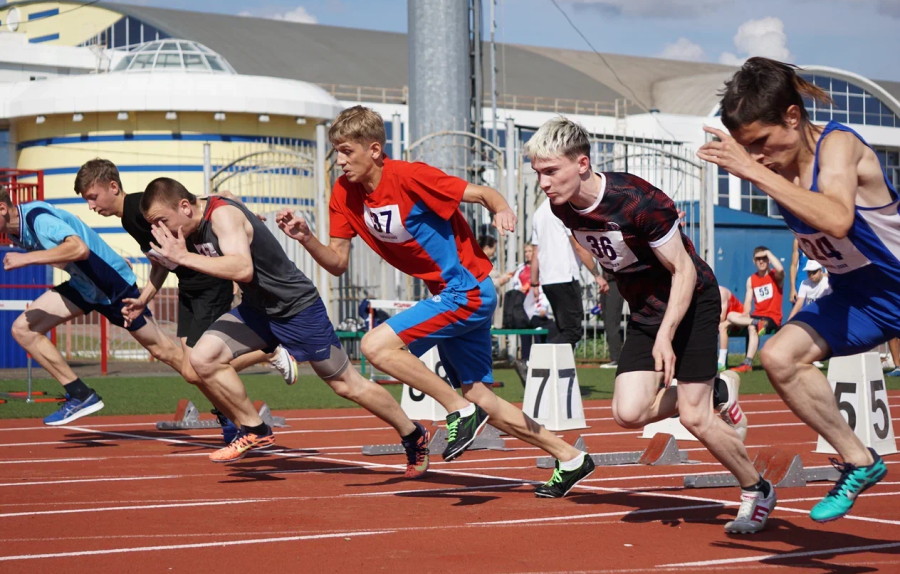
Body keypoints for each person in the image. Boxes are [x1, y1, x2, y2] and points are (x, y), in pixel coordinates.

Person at [276, 105, 593, 497]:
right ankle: (569, 456)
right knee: (478, 392)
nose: (339, 161)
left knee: (377, 346)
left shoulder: (410, 176)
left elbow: (482, 193)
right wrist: (306, 239)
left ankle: (457, 410)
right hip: (448, 297)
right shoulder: (344, 193)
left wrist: (502, 209)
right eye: (336, 153)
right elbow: (338, 263)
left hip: (468, 290)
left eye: (346, 151)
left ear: (374, 149)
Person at [526, 116, 764, 533]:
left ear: (582, 164)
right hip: (644, 309)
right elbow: (600, 247)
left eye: (551, 171)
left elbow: (684, 271)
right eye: (538, 174)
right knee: (629, 412)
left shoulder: (637, 200)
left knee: (694, 416)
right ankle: (720, 388)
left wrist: (667, 334)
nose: (544, 183)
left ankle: (756, 489)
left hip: (690, 301)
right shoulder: (560, 207)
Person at [699, 56, 891, 523]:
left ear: (792, 115)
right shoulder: (779, 170)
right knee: (779, 356)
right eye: (748, 148)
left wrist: (754, 172)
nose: (758, 156)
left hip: (896, 281)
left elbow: (838, 218)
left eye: (762, 143)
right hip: (855, 295)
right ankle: (859, 460)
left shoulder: (839, 144)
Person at [140, 178, 433, 478]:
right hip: (257, 310)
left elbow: (242, 268)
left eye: (163, 221)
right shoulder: (192, 223)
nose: (161, 230)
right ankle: (254, 427)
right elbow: (224, 197)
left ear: (185, 207)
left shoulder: (222, 216)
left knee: (347, 385)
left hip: (297, 309)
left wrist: (186, 254)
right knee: (202, 359)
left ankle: (413, 434)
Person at [74, 159, 298, 442]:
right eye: (87, 201)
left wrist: (242, 214)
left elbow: (205, 201)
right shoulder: (129, 220)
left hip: (209, 283)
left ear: (113, 187)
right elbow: (161, 262)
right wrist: (143, 298)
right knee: (190, 371)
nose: (91, 206)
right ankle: (229, 417)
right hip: (188, 286)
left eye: (92, 197)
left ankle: (267, 352)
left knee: (198, 366)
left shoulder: (138, 208)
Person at [0, 187, 184, 426]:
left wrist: (26, 258)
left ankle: (225, 404)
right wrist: (107, 254)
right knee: (23, 329)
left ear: (2, 209)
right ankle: (80, 394)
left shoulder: (38, 220)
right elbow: (76, 225)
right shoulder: (18, 230)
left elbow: (79, 248)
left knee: (164, 351)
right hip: (84, 287)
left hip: (112, 288)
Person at [530, 195, 599, 349]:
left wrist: (534, 283)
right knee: (572, 332)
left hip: (548, 280)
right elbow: (579, 246)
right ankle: (535, 361)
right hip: (565, 277)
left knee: (563, 329)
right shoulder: (564, 209)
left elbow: (535, 252)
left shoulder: (539, 213)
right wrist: (597, 275)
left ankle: (558, 371)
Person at [729, 246, 785, 373]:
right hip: (756, 317)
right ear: (754, 261)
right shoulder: (751, 280)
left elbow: (781, 269)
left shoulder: (775, 276)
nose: (761, 261)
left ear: (768, 260)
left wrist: (768, 252)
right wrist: (745, 314)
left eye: (764, 258)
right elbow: (748, 301)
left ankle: (747, 363)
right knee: (730, 316)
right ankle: (755, 323)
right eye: (758, 259)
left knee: (751, 328)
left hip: (772, 318)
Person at [717, 285, 750, 372]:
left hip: (740, 320)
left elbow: (722, 317)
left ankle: (721, 362)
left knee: (721, 326)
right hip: (729, 322)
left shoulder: (722, 292)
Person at [600, 270, 624, 369]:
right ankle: (614, 358)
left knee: (612, 322)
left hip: (615, 283)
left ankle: (616, 359)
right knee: (608, 323)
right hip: (606, 284)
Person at [788, 237, 811, 304]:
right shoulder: (798, 241)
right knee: (800, 310)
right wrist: (792, 289)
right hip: (801, 282)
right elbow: (793, 266)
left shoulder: (823, 236)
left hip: (818, 280)